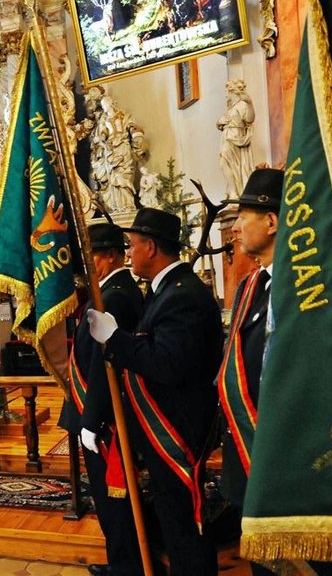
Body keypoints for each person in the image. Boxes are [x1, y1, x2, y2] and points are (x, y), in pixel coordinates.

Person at [86, 208, 222, 576]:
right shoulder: (166, 290)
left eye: (132, 245)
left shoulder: (183, 294)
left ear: (150, 247)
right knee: (171, 514)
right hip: (164, 423)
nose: (128, 253)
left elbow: (166, 364)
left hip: (176, 428)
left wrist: (116, 338)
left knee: (184, 522)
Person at [58, 223, 144, 576]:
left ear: (111, 256)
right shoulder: (108, 291)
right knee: (108, 497)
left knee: (114, 498)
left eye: (92, 255)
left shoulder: (116, 296)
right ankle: (122, 562)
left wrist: (91, 420)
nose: (87, 264)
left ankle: (127, 567)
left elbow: (103, 364)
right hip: (98, 412)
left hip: (105, 418)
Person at [217, 168, 282, 576]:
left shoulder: (300, 287)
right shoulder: (250, 285)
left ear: (271, 221)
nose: (236, 227)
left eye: (243, 217)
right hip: (246, 452)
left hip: (279, 456)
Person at [217, 79, 256, 199]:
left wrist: (250, 103)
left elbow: (249, 119)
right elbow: (221, 122)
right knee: (224, 162)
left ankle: (236, 191)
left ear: (232, 91)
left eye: (227, 92)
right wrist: (219, 122)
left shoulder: (242, 104)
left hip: (236, 136)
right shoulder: (231, 107)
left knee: (230, 163)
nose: (226, 95)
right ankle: (233, 191)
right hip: (227, 136)